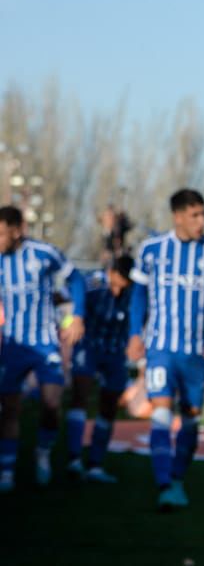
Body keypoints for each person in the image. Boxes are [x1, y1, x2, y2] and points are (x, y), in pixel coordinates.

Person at [126, 189, 204, 509]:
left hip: (195, 353)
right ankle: (164, 484)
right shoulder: (151, 250)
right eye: (194, 215)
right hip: (160, 348)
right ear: (178, 216)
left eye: (203, 214)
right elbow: (138, 297)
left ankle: (177, 478)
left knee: (191, 420)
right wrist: (134, 334)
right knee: (160, 412)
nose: (201, 221)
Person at [0, 205, 86, 492]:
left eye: (0, 233)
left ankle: (43, 453)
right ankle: (8, 471)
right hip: (12, 345)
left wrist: (77, 318)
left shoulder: (43, 253)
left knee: (51, 404)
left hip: (45, 341)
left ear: (16, 231)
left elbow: (76, 279)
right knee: (9, 409)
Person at [65, 255, 136, 483]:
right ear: (110, 273)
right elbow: (66, 296)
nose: (117, 292)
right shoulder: (92, 282)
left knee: (109, 406)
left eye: (122, 287)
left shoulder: (135, 291)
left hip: (115, 351)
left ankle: (95, 464)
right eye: (115, 284)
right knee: (80, 396)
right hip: (88, 346)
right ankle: (74, 459)